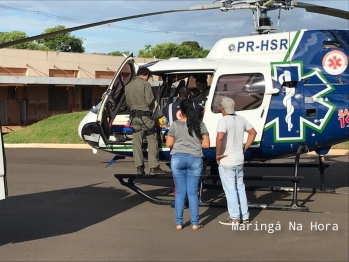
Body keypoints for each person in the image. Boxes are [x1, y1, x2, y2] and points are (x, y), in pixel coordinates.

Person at [166, 99, 210, 230]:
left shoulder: (175, 125)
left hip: (178, 158)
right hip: (195, 158)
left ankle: (179, 223)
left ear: (181, 111)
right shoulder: (200, 125)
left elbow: (168, 144)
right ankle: (195, 223)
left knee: (180, 192)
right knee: (192, 192)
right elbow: (206, 145)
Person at [215, 97, 257, 225]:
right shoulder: (241, 119)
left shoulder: (223, 121)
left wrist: (218, 154)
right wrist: (245, 147)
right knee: (240, 187)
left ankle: (234, 217)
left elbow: (220, 137)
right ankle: (245, 216)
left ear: (222, 109)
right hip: (239, 158)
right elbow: (253, 132)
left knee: (230, 189)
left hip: (227, 159)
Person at [125, 67, 167, 176]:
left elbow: (128, 102)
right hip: (145, 118)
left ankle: (139, 168)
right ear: (146, 75)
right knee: (152, 140)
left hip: (134, 118)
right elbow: (149, 101)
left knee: (136, 144)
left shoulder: (128, 86)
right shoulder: (145, 84)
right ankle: (154, 167)